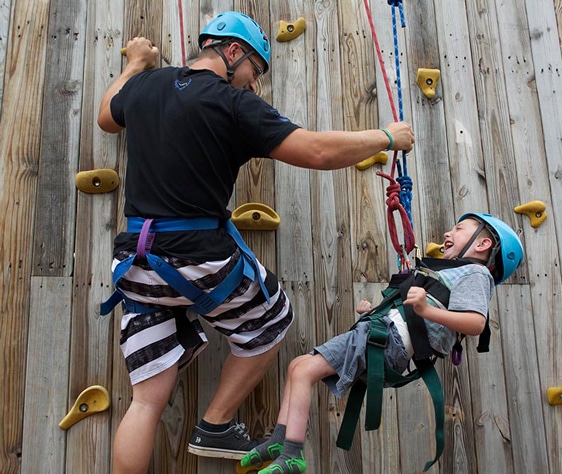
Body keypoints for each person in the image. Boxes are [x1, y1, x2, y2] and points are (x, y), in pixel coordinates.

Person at [96, 10, 415, 474]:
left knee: (145, 401)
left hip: (137, 265)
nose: (254, 85)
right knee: (274, 318)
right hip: (199, 257)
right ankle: (216, 423)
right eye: (255, 71)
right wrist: (387, 136)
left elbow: (108, 117)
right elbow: (318, 150)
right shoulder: (233, 104)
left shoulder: (146, 86)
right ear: (232, 52)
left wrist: (134, 63)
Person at [240, 213, 524, 474]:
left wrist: (427, 310)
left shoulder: (476, 274)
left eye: (459, 229)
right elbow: (410, 314)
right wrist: (373, 311)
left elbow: (476, 323)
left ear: (483, 243)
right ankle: (279, 440)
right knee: (296, 366)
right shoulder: (450, 273)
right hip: (381, 332)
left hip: (388, 342)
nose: (448, 234)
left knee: (304, 372)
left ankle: (292, 454)